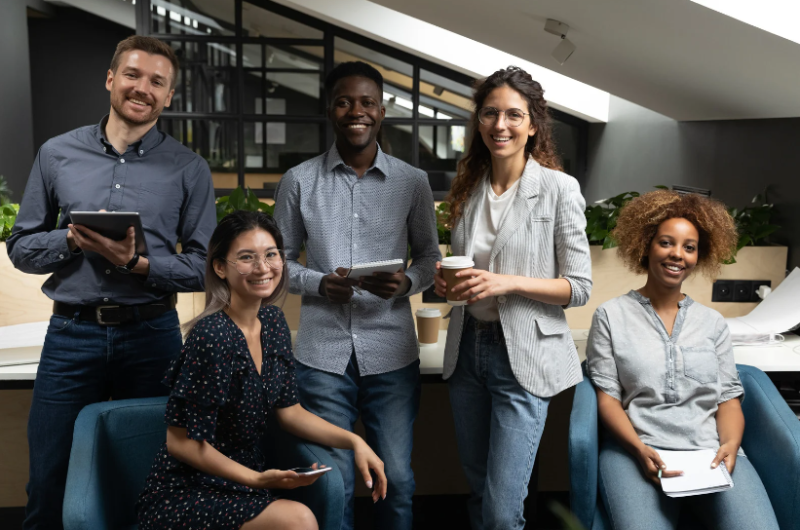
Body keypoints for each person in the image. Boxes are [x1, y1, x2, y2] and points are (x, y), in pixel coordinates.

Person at [6, 36, 216, 530]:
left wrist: (139, 264)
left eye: (157, 82)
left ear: (168, 97)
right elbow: (21, 248)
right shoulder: (57, 153)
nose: (142, 88)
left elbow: (208, 267)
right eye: (133, 75)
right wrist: (75, 241)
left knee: (153, 473)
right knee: (49, 476)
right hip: (70, 336)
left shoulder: (189, 169)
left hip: (152, 337)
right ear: (110, 79)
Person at [136, 211, 387, 530]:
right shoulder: (211, 335)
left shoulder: (273, 323)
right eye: (246, 257)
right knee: (299, 519)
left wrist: (355, 442)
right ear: (219, 267)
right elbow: (180, 443)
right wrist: (255, 479)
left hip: (245, 485)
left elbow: (290, 413)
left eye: (271, 255)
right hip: (186, 491)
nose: (263, 267)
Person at [273, 61, 440, 530]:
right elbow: (278, 262)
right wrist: (318, 282)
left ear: (382, 111)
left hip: (392, 351)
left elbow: (430, 257)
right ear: (330, 110)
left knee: (399, 479)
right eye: (345, 101)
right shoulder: (299, 181)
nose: (356, 111)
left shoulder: (413, 181)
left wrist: (406, 282)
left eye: (367, 102)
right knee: (336, 483)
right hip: (321, 354)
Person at [432, 66, 592, 530]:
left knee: (503, 510)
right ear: (479, 121)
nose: (500, 125)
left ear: (533, 124)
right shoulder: (467, 190)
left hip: (522, 355)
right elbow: (466, 272)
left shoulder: (559, 189)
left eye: (513, 115)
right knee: (480, 492)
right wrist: (447, 286)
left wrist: (507, 282)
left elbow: (578, 287)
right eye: (490, 113)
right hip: (466, 353)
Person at [585, 190, 780, 530]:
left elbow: (728, 399)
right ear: (646, 245)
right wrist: (637, 448)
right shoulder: (610, 316)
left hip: (708, 454)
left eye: (689, 247)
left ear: (698, 256)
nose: (678, 254)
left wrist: (731, 445)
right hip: (635, 451)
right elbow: (608, 399)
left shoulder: (712, 323)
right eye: (666, 243)